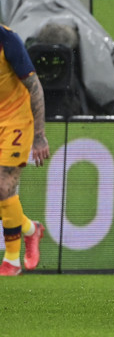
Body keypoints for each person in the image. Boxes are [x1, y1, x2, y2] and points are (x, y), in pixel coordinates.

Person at [0, 24, 49, 276]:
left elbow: (35, 87)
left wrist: (39, 136)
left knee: (3, 187)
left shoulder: (8, 40)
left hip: (17, 122)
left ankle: (11, 261)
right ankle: (31, 230)